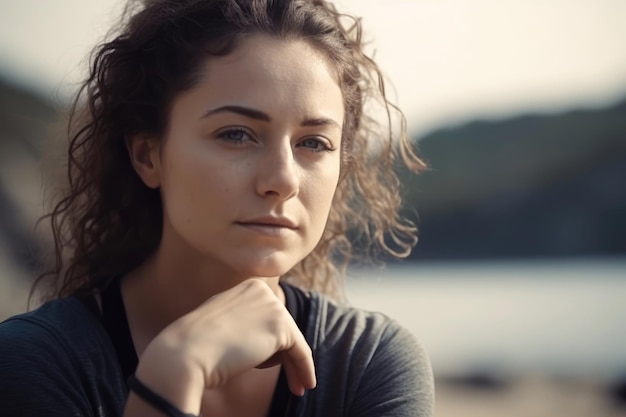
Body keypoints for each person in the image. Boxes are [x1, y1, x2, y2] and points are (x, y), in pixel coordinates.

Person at [0, 0, 434, 416]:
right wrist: (171, 377)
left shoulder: (368, 364)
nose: (282, 180)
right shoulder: (37, 361)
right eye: (236, 134)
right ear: (148, 155)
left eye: (313, 143)